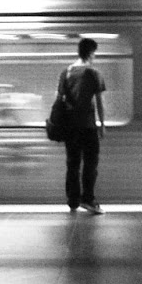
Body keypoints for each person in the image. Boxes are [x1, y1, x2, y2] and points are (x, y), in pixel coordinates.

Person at [56, 37, 107, 214]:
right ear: (91, 53)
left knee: (72, 164)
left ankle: (73, 201)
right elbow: (99, 102)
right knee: (90, 164)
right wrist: (102, 124)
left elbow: (60, 98)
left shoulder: (66, 72)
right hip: (87, 126)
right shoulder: (93, 73)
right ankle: (88, 200)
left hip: (70, 126)